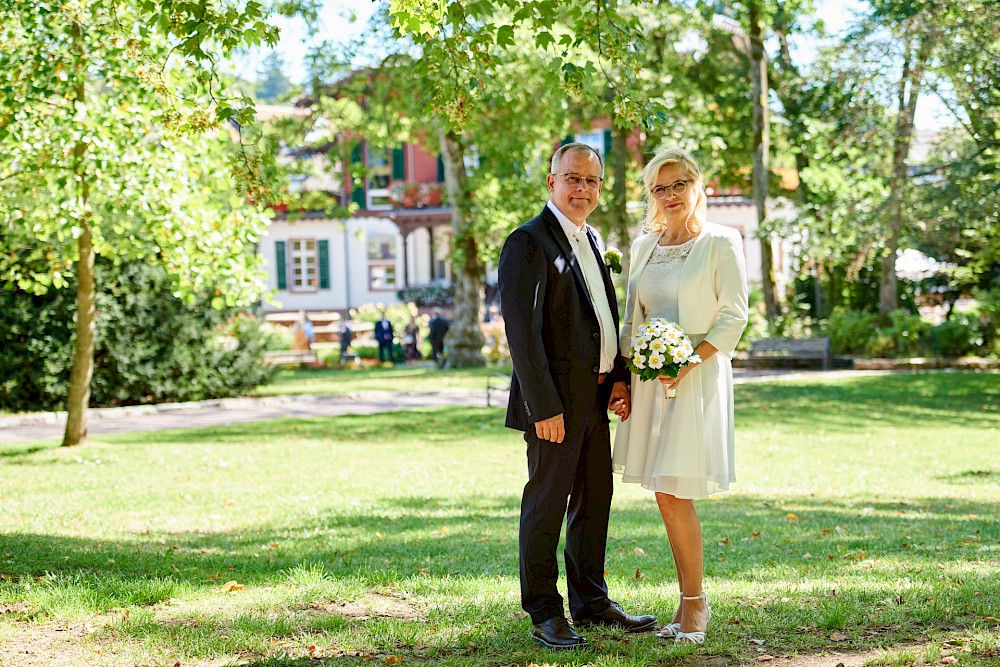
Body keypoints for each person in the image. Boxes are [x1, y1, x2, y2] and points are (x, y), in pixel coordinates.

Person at [498, 143, 656, 651]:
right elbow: (521, 334)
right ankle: (545, 611)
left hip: (594, 399)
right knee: (546, 504)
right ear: (552, 182)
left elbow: (599, 322)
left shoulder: (590, 238)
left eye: (592, 181)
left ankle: (590, 600)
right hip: (555, 407)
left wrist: (616, 380)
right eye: (573, 178)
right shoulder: (528, 242)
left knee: (595, 501)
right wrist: (542, 407)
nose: (581, 188)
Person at [612, 147, 749, 645]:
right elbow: (633, 321)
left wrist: (689, 360)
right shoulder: (643, 245)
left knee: (673, 492)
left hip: (696, 380)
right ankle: (688, 599)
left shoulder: (721, 241)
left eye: (678, 184)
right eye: (660, 187)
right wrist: (623, 379)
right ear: (650, 194)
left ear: (697, 186)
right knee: (664, 494)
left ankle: (695, 605)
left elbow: (734, 315)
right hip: (650, 386)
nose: (670, 195)